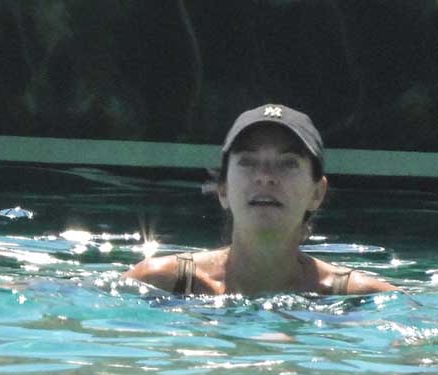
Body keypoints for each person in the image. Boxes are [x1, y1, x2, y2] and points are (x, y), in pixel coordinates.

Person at [124, 103, 397, 296]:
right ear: (223, 190)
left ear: (317, 193)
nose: (265, 177)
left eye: (288, 163)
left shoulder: (360, 298)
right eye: (247, 162)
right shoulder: (156, 282)